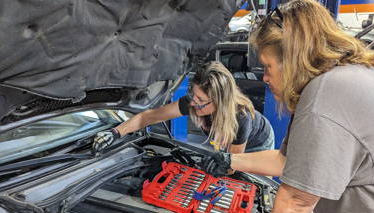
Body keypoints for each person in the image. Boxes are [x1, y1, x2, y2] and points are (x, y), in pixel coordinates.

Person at [203, 0, 374, 213]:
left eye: (267, 67)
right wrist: (230, 161)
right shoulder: (347, 79)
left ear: (292, 58)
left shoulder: (328, 94)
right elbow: (288, 161)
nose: (264, 77)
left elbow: (299, 198)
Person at [92, 61, 274, 154]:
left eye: (201, 99)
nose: (193, 102)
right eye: (194, 95)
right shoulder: (193, 102)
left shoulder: (240, 117)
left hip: (257, 143)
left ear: (220, 101)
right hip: (230, 141)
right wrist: (115, 132)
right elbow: (148, 117)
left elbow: (235, 161)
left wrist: (221, 167)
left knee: (247, 185)